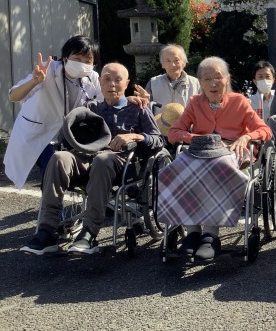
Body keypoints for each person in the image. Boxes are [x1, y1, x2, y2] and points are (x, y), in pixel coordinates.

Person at [20, 62, 164, 255]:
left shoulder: (138, 108)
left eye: (118, 80)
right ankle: (47, 231)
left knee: (102, 160)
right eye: (107, 79)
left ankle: (89, 233)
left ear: (127, 83)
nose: (112, 84)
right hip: (88, 158)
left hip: (121, 162)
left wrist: (136, 136)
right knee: (59, 158)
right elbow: (67, 136)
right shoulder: (90, 108)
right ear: (100, 82)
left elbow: (158, 140)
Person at [166, 56, 272, 260]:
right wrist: (200, 139)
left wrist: (246, 136)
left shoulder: (239, 101)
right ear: (200, 82)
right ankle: (192, 233)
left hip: (231, 152)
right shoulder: (195, 102)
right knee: (180, 169)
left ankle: (210, 236)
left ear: (227, 79)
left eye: (218, 77)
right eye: (207, 79)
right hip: (200, 152)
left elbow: (265, 130)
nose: (213, 83)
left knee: (214, 167)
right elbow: (174, 133)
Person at [4, 36, 102, 190]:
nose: (81, 64)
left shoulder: (92, 78)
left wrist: (128, 99)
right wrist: (34, 82)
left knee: (79, 170)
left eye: (87, 61)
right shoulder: (48, 70)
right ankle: (51, 205)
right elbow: (13, 96)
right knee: (52, 166)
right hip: (39, 134)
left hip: (70, 136)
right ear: (65, 58)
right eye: (77, 58)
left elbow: (106, 101)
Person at [134, 44, 200, 115]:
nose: (173, 65)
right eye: (168, 61)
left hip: (188, 122)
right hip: (159, 122)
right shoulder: (153, 83)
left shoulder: (196, 83)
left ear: (184, 62)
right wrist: (144, 101)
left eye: (176, 60)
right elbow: (145, 112)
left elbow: (203, 109)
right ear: (162, 64)